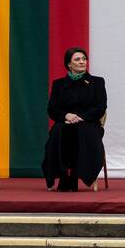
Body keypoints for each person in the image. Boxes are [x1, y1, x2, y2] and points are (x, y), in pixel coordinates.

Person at [42, 47, 107, 192]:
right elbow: (52, 109)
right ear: (69, 64)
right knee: (59, 132)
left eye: (84, 59)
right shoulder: (58, 84)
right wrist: (66, 115)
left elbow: (100, 107)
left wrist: (81, 117)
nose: (82, 62)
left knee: (81, 132)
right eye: (77, 59)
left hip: (88, 123)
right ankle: (64, 175)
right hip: (65, 122)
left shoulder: (97, 82)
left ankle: (76, 174)